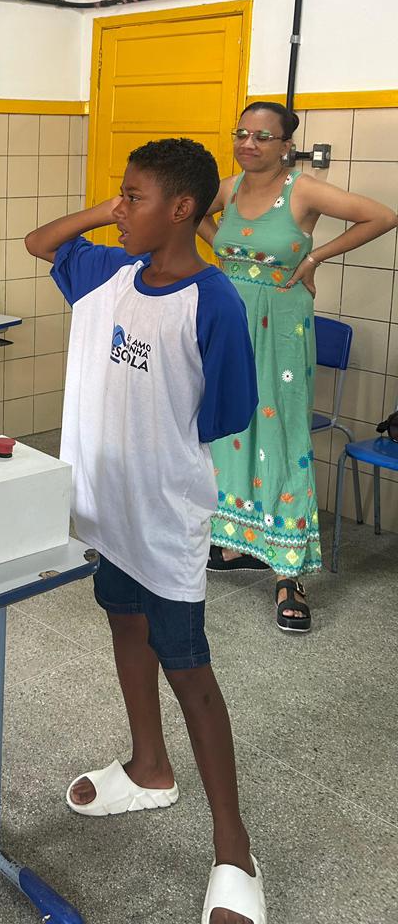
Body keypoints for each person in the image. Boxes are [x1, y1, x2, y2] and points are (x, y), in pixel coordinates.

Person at [25, 138, 265, 924]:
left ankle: (234, 850)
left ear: (183, 208)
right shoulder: (108, 273)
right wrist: (110, 212)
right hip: (108, 510)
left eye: (134, 196)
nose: (119, 208)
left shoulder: (213, 302)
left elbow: (225, 414)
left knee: (189, 669)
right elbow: (39, 242)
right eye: (119, 195)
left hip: (163, 519)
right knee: (124, 627)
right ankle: (149, 767)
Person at [200, 101, 398, 632]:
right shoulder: (227, 188)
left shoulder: (303, 190)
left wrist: (313, 258)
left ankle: (289, 574)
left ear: (287, 145)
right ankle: (235, 543)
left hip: (282, 328)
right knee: (228, 430)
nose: (248, 144)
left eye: (262, 136)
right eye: (241, 133)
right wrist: (225, 256)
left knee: (282, 437)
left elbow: (383, 216)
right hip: (229, 321)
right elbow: (190, 212)